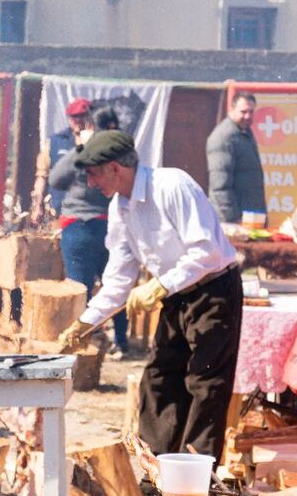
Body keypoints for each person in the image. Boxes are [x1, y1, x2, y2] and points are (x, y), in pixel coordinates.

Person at [58, 131, 241, 458]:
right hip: (177, 294)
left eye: (93, 173)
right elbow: (118, 278)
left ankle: (196, 476)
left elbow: (208, 252)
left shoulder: (172, 185)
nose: (90, 183)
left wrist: (159, 285)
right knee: (160, 377)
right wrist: (85, 322)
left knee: (205, 383)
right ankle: (157, 465)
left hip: (214, 290)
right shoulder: (120, 208)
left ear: (115, 168)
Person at [48, 107, 127, 357]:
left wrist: (80, 148)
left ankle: (81, 342)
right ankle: (121, 341)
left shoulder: (84, 149)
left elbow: (57, 179)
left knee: (80, 288)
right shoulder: (116, 150)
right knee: (114, 284)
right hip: (107, 224)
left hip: (81, 224)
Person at [30, 98, 94, 225]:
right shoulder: (55, 142)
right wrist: (38, 206)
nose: (78, 121)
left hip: (91, 214)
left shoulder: (101, 142)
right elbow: (42, 176)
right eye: (74, 117)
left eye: (82, 116)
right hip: (60, 212)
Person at [206, 92, 266, 224]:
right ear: (231, 110)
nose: (248, 116)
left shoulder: (244, 132)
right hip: (233, 221)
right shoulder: (224, 138)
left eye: (251, 111)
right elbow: (220, 186)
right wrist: (233, 219)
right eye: (243, 111)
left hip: (249, 216)